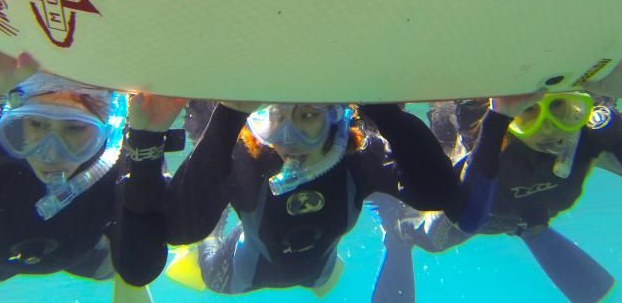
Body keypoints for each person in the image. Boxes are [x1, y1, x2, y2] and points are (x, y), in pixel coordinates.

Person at [115, 93, 540, 295]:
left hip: (318, 272)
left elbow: (442, 197)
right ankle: (219, 227)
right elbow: (179, 227)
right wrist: (230, 113)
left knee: (318, 277)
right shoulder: (250, 157)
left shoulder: (359, 156)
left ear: (337, 120)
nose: (288, 137)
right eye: (276, 117)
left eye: (306, 118)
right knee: (201, 233)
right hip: (236, 274)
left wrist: (383, 110)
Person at [370, 58, 622, 303]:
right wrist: (498, 120)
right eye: (528, 112)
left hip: (528, 212)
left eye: (562, 109)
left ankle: (527, 226)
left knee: (525, 219)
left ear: (580, 107)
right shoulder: (488, 138)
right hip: (471, 214)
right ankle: (399, 233)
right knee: (428, 240)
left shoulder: (593, 133)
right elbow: (469, 217)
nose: (549, 129)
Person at [0, 41, 173, 302]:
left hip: (92, 257)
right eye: (35, 124)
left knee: (125, 270)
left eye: (76, 129)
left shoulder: (123, 161)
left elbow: (151, 246)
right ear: (13, 121)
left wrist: (145, 151)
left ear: (107, 133)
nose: (51, 153)